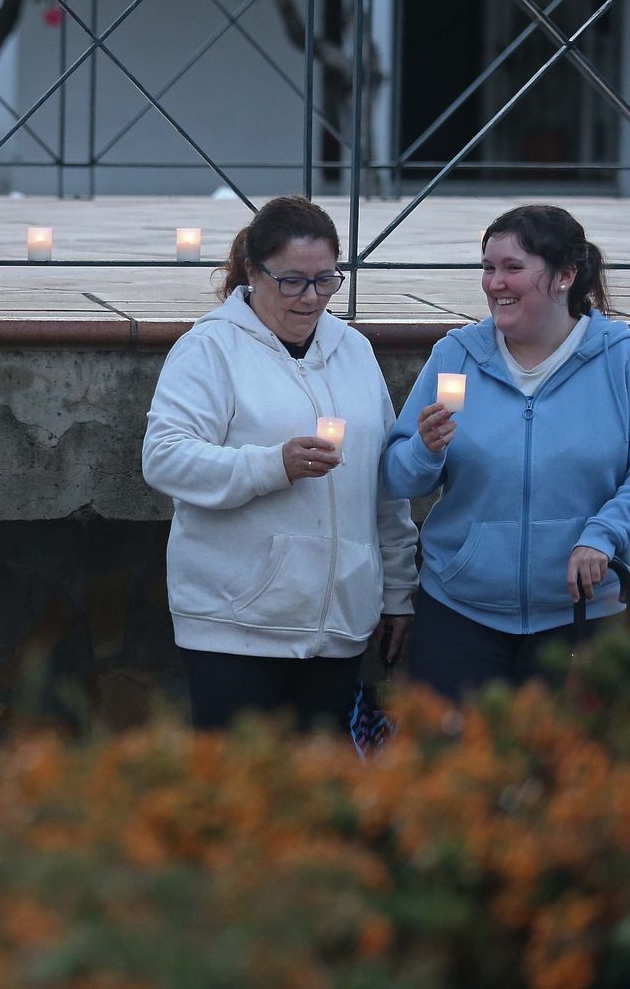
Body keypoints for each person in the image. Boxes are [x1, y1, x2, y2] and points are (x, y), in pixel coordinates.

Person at [142, 196, 416, 731]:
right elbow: (164, 458)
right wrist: (273, 465)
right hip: (234, 624)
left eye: (325, 280)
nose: (310, 297)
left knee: (318, 803)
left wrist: (398, 591)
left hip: (340, 626)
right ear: (253, 271)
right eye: (292, 281)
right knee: (239, 804)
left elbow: (382, 485)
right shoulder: (210, 349)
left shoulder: (354, 350)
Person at [383, 205, 627, 700]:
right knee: (456, 774)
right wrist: (425, 452)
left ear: (564, 276)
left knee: (567, 775)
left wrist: (603, 534)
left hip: (581, 619)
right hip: (458, 613)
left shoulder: (619, 357)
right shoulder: (457, 354)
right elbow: (397, 479)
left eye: (513, 268)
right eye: (488, 268)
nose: (495, 283)